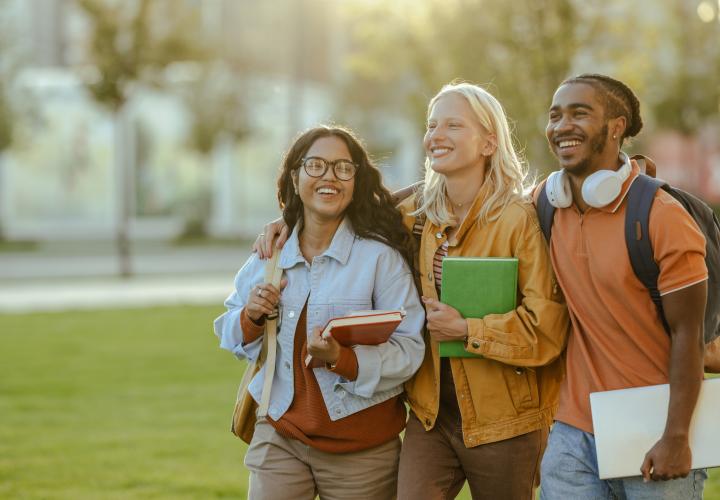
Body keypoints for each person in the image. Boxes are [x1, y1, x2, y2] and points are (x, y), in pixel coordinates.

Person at [255, 83, 570, 500]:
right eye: (431, 124)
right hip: (429, 417)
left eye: (453, 125)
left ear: (489, 141)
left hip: (505, 421)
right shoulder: (413, 215)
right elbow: (335, 205)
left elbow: (547, 331)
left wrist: (468, 329)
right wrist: (287, 222)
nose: (435, 135)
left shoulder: (518, 221)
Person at [214, 125, 425, 500]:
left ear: (356, 180)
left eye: (343, 167)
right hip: (280, 436)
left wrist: (343, 359)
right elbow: (228, 333)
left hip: (363, 452)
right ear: (295, 177)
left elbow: (410, 350)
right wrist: (251, 316)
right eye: (316, 165)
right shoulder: (270, 254)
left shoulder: (380, 259)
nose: (329, 176)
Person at [536, 74, 708, 499]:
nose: (562, 126)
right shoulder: (547, 203)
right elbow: (486, 196)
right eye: (555, 115)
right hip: (573, 431)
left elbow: (691, 334)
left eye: (580, 113)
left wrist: (676, 436)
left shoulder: (660, 215)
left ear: (616, 127)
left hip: (656, 427)